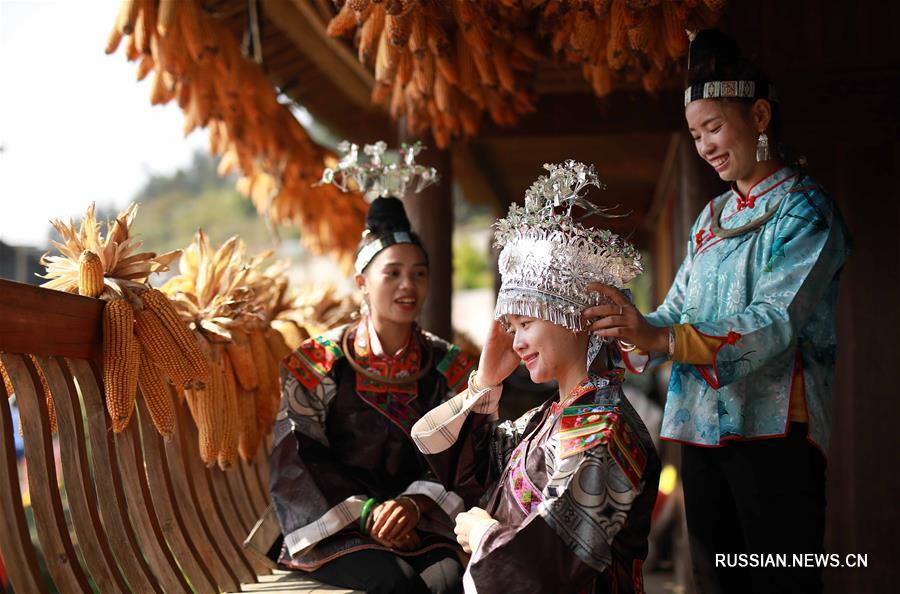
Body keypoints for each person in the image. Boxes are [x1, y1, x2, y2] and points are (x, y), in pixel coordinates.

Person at [582, 30, 852, 594]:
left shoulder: (806, 210)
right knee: (715, 582)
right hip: (701, 431)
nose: (704, 145)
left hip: (775, 432)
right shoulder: (711, 217)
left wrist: (663, 339)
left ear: (758, 115)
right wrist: (629, 323)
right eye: (695, 134)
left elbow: (774, 322)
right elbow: (676, 310)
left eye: (714, 128)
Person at [411, 161, 661, 593]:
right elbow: (463, 465)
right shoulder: (550, 417)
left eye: (525, 323)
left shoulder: (600, 429)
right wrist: (485, 382)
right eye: (511, 327)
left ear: (573, 317)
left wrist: (481, 532)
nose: (516, 342)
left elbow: (550, 564)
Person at [261, 196, 477, 594]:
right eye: (392, 273)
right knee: (395, 583)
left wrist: (413, 505)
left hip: (420, 519)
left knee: (448, 578)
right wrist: (368, 512)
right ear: (362, 283)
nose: (407, 286)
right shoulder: (318, 363)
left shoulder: (452, 367)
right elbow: (298, 455)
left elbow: (467, 451)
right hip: (337, 525)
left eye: (419, 273)